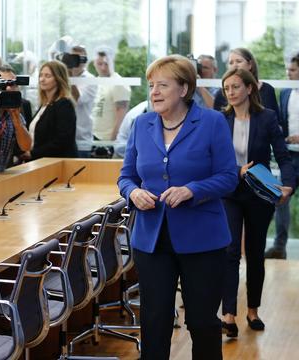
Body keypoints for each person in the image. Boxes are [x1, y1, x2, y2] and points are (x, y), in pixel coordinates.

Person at [118, 54, 238, 359]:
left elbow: (228, 177)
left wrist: (192, 190)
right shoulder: (142, 123)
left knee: (201, 323)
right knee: (154, 322)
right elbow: (126, 176)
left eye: (163, 85)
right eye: (151, 85)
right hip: (152, 239)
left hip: (203, 239)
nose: (154, 92)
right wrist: (133, 193)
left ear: (184, 89)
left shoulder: (212, 121)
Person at [220, 68, 295, 337]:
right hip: (229, 192)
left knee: (254, 253)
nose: (230, 92)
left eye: (236, 87)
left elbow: (284, 157)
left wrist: (288, 186)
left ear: (249, 89)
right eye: (227, 88)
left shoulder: (267, 118)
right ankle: (228, 314)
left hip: (259, 194)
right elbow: (215, 158)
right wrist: (233, 171)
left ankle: (253, 310)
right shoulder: (222, 119)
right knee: (229, 251)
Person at [266, 53, 299, 260]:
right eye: (288, 70)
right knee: (281, 198)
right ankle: (279, 247)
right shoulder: (285, 92)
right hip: (290, 156)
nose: (288, 73)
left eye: (293, 70)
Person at [24, 60, 77, 160]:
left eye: (47, 76)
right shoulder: (45, 104)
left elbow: (62, 140)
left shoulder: (64, 104)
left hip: (57, 164)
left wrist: (33, 153)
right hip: (41, 162)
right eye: (41, 75)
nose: (42, 79)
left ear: (58, 79)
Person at [214, 48, 280, 120]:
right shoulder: (222, 93)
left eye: (239, 61)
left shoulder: (267, 89)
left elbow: (276, 120)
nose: (234, 66)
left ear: (249, 65)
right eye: (231, 63)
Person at [91, 47, 130, 140]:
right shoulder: (96, 82)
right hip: (93, 138)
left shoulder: (118, 83)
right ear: (94, 63)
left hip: (106, 140)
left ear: (112, 63)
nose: (103, 67)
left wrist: (111, 143)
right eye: (99, 64)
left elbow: (121, 117)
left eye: (106, 64)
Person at [68, 45, 97, 158]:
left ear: (85, 61)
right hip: (63, 139)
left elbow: (78, 100)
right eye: (73, 58)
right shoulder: (63, 78)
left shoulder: (90, 79)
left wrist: (69, 76)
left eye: (80, 58)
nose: (76, 62)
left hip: (81, 141)